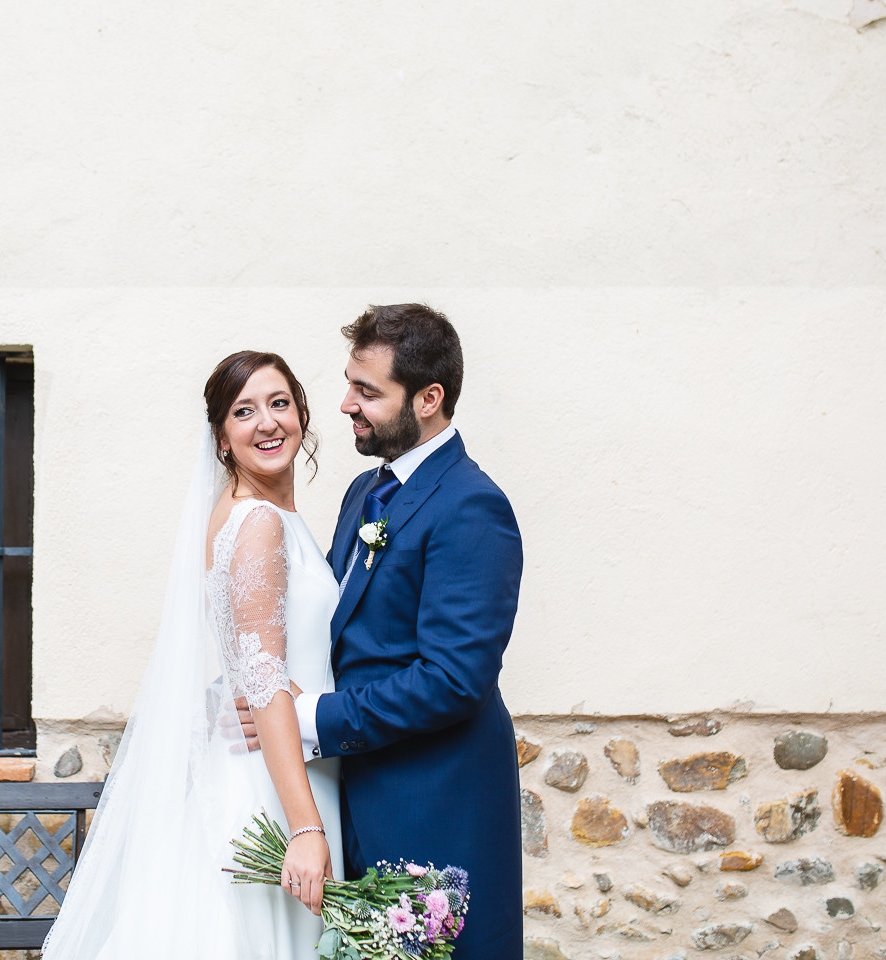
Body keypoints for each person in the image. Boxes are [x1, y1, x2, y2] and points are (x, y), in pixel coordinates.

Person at [242, 304, 526, 960]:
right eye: (349, 384)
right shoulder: (362, 496)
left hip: (435, 806)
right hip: (358, 797)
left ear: (429, 399)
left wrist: (310, 715)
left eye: (368, 392)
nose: (345, 404)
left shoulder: (473, 507)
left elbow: (454, 680)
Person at [41, 351, 342, 960]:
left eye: (279, 403)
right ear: (222, 438)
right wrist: (306, 829)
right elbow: (263, 680)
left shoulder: (263, 517)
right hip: (276, 792)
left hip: (293, 762)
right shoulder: (257, 521)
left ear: (302, 414)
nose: (266, 423)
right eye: (244, 411)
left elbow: (247, 657)